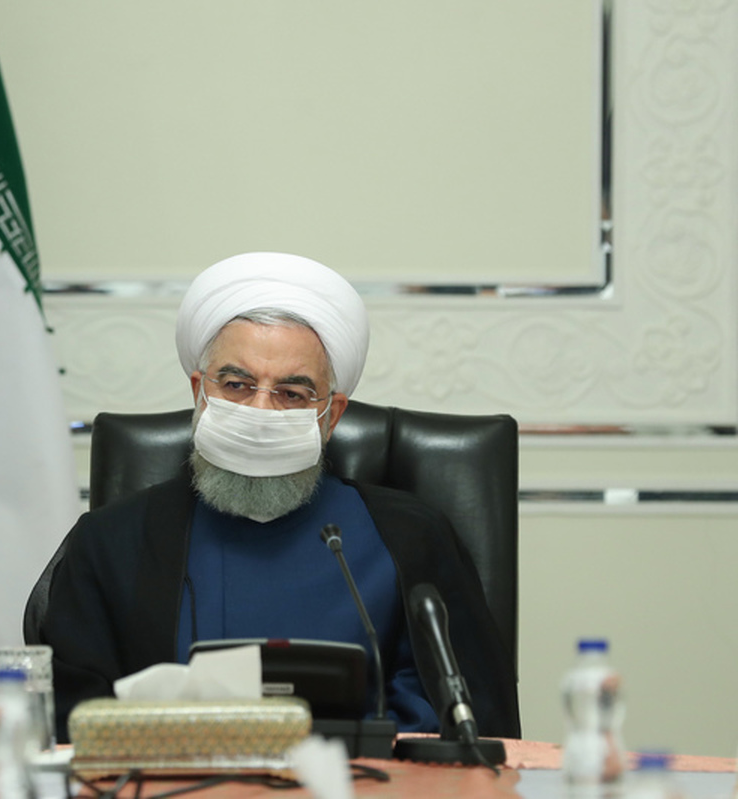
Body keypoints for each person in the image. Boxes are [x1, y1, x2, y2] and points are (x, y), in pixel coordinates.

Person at [33, 252, 520, 742]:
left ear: (331, 416)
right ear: (199, 392)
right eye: (237, 385)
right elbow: (74, 725)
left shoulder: (411, 539)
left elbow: (456, 723)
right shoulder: (112, 542)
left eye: (292, 393)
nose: (261, 410)